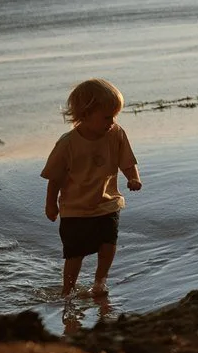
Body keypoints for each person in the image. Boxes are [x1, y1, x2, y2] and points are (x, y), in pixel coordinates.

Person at [42, 78, 142, 301]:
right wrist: (50, 204)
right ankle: (67, 291)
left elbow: (126, 160)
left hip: (107, 202)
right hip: (75, 209)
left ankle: (100, 282)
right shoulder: (67, 143)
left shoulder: (116, 133)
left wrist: (133, 177)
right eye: (107, 116)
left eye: (115, 116)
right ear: (85, 115)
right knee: (75, 254)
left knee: (108, 244)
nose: (112, 121)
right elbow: (55, 178)